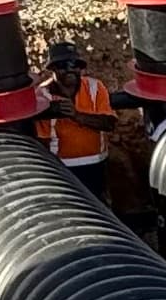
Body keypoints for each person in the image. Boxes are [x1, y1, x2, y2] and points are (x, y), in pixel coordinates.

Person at [36, 40, 124, 197]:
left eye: (75, 65)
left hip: (96, 165)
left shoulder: (95, 87)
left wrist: (76, 115)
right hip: (62, 170)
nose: (70, 70)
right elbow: (41, 143)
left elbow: (109, 123)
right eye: (63, 66)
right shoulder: (42, 96)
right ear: (53, 69)